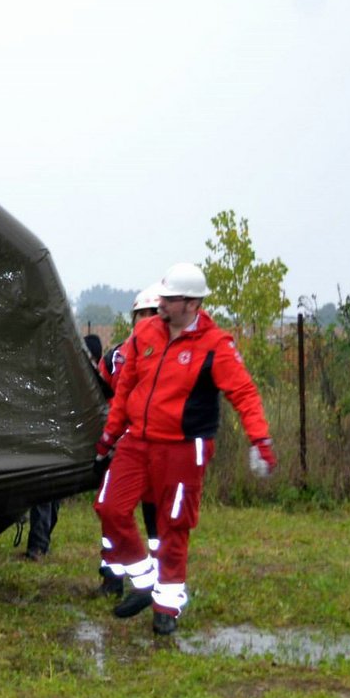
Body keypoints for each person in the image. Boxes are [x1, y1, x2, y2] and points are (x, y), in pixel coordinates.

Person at [94, 262, 275, 634]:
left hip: (183, 448)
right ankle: (146, 582)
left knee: (174, 526)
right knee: (110, 508)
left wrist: (260, 440)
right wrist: (110, 436)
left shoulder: (216, 346)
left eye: (170, 298)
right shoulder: (144, 332)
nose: (160, 303)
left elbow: (243, 393)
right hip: (137, 441)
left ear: (191, 304)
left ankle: (167, 607)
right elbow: (125, 387)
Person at [93, 284, 163, 595]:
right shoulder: (114, 358)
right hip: (120, 448)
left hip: (156, 446)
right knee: (111, 512)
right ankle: (112, 576)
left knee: (156, 521)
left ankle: (160, 580)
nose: (146, 320)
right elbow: (100, 396)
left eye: (152, 314)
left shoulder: (169, 356)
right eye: (141, 315)